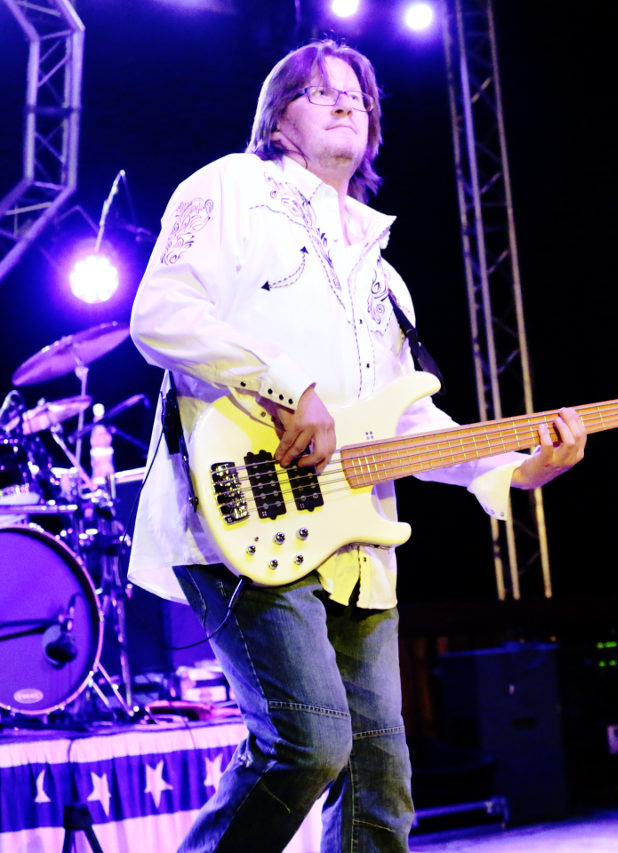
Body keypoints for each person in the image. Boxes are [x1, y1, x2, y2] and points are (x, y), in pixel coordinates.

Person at [127, 40, 586, 852]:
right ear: (277, 119)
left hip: (357, 543)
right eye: (320, 92)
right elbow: (161, 313)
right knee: (307, 742)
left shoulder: (385, 275)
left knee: (381, 785)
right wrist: (286, 386)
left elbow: (404, 423)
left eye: (360, 96)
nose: (345, 102)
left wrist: (517, 465)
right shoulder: (230, 188)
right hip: (241, 515)